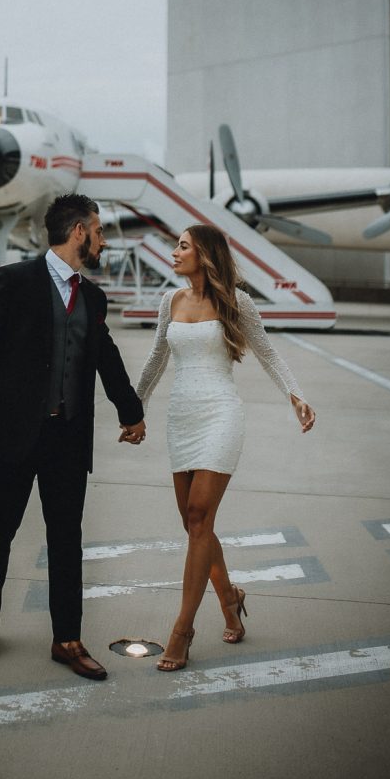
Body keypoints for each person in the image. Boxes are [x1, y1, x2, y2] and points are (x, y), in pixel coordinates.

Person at [0, 193, 145, 681]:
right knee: (0, 530)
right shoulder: (15, 281)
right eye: (98, 230)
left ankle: (66, 638)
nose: (103, 239)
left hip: (67, 438)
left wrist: (130, 411)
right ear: (78, 233)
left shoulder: (91, 296)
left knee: (67, 539)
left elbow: (104, 356)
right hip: (16, 434)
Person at [135, 224, 315, 672]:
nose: (174, 252)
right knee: (194, 524)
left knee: (198, 517)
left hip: (221, 414)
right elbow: (158, 358)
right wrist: (133, 408)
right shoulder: (170, 301)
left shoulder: (238, 302)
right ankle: (230, 598)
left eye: (182, 246)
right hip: (182, 417)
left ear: (205, 255)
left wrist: (296, 395)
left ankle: (182, 631)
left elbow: (268, 353)